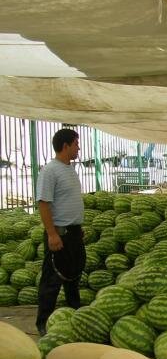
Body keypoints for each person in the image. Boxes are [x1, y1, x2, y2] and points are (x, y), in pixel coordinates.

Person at [36, 129, 86, 336]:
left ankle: (75, 315)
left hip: (73, 233)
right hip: (60, 233)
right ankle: (43, 322)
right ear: (65, 146)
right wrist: (52, 234)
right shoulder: (50, 170)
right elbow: (43, 203)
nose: (78, 148)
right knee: (52, 280)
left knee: (73, 276)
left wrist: (78, 228)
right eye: (76, 144)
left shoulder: (70, 169)